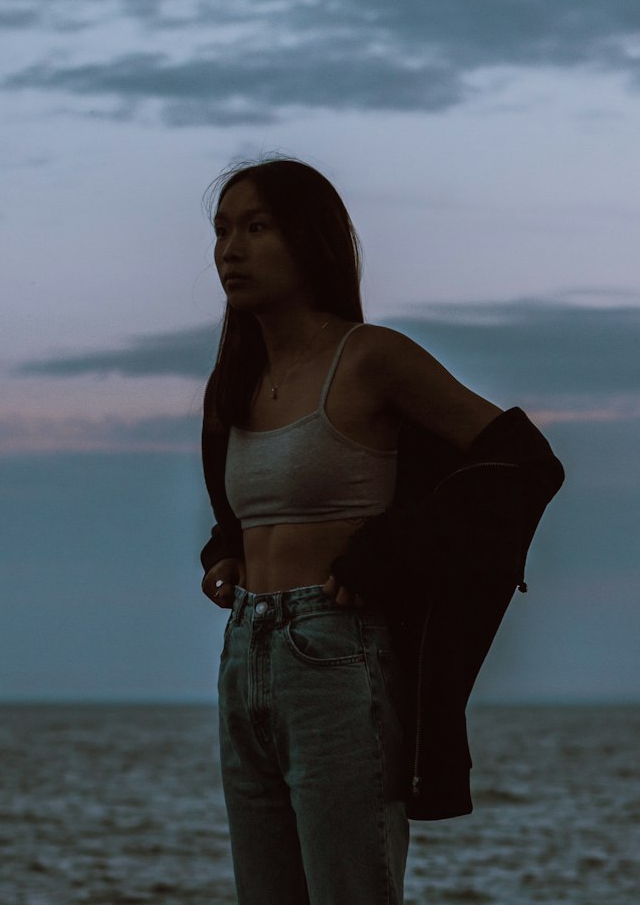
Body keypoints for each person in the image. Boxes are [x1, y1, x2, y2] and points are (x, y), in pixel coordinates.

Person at [198, 155, 565, 905]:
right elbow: (247, 508)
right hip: (244, 654)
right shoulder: (233, 379)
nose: (231, 249)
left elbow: (522, 462)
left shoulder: (371, 359)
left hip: (336, 655)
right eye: (222, 230)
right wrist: (226, 550)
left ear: (311, 241)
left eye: (257, 228)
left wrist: (395, 553)